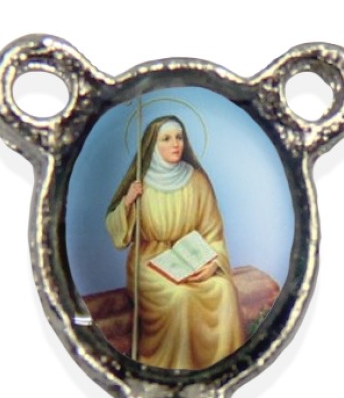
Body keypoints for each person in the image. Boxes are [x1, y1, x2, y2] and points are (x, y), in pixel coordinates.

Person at [105, 116, 245, 370]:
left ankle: (219, 369)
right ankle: (173, 370)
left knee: (224, 290)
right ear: (153, 145)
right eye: (167, 139)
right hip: (149, 261)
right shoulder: (140, 183)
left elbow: (213, 232)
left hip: (191, 256)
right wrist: (128, 201)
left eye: (179, 137)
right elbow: (118, 234)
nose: (175, 144)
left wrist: (213, 265)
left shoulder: (198, 180)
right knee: (179, 297)